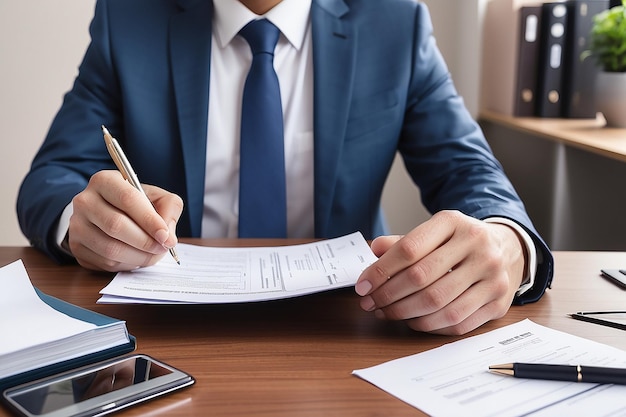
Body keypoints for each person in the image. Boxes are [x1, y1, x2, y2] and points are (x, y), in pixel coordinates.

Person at [17, 0, 553, 335]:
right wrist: (80, 222)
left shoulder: (395, 19)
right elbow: (52, 176)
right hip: (170, 330)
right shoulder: (129, 15)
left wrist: (508, 243)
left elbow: (469, 170)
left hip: (351, 323)